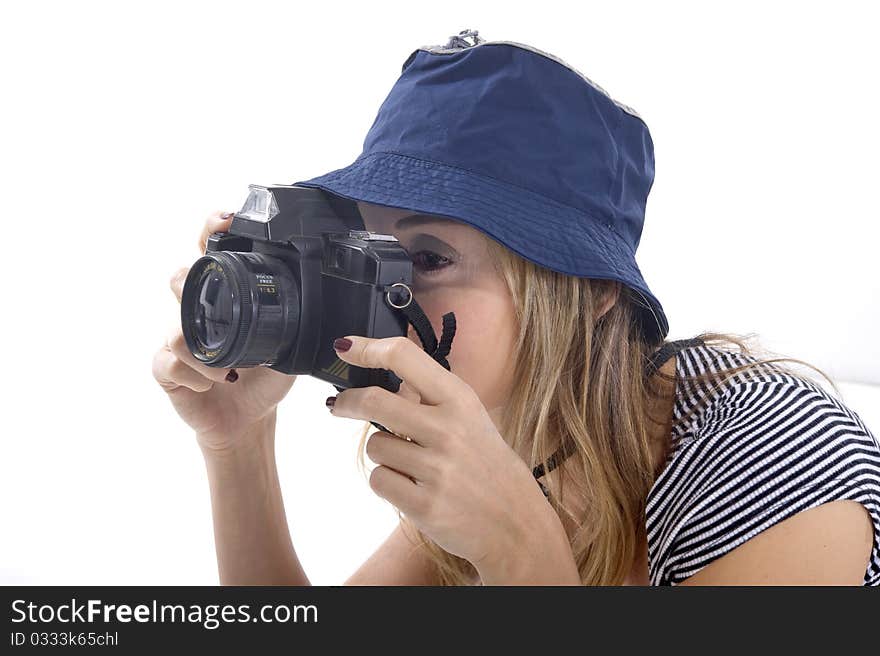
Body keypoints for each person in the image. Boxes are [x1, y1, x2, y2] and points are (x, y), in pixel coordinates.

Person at [152, 30, 880, 585]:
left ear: (591, 292)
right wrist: (236, 445)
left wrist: (520, 553)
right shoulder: (522, 438)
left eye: (426, 259)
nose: (379, 295)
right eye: (367, 253)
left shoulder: (769, 457)